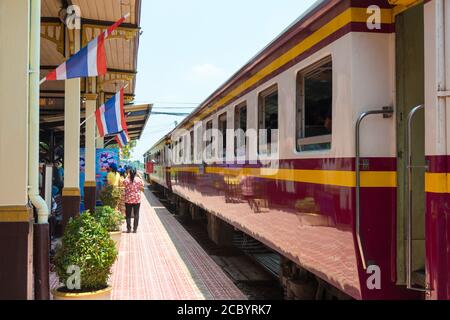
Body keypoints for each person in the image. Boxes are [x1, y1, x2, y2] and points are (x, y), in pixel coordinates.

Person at [123, 168, 144, 233]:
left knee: (128, 214)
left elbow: (123, 183)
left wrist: (128, 175)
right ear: (135, 173)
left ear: (130, 173)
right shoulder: (138, 180)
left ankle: (128, 229)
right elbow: (143, 185)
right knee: (136, 214)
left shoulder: (126, 180)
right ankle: (135, 229)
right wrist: (139, 176)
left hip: (128, 199)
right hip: (137, 200)